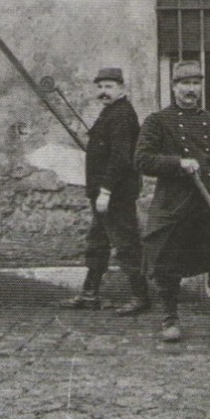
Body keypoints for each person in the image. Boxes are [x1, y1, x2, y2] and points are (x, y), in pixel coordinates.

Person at [134, 60, 210, 343]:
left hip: (208, 207)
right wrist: (178, 163)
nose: (191, 89)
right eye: (185, 84)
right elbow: (141, 159)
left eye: (196, 83)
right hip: (174, 207)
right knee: (167, 265)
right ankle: (170, 319)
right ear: (174, 87)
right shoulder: (158, 121)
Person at [63, 67, 149, 316]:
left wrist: (107, 191)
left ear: (122, 89)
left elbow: (121, 158)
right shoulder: (110, 112)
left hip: (116, 195)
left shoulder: (122, 114)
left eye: (109, 87)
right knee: (98, 242)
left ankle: (141, 296)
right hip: (104, 194)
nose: (103, 91)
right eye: (100, 87)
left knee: (126, 243)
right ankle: (89, 294)